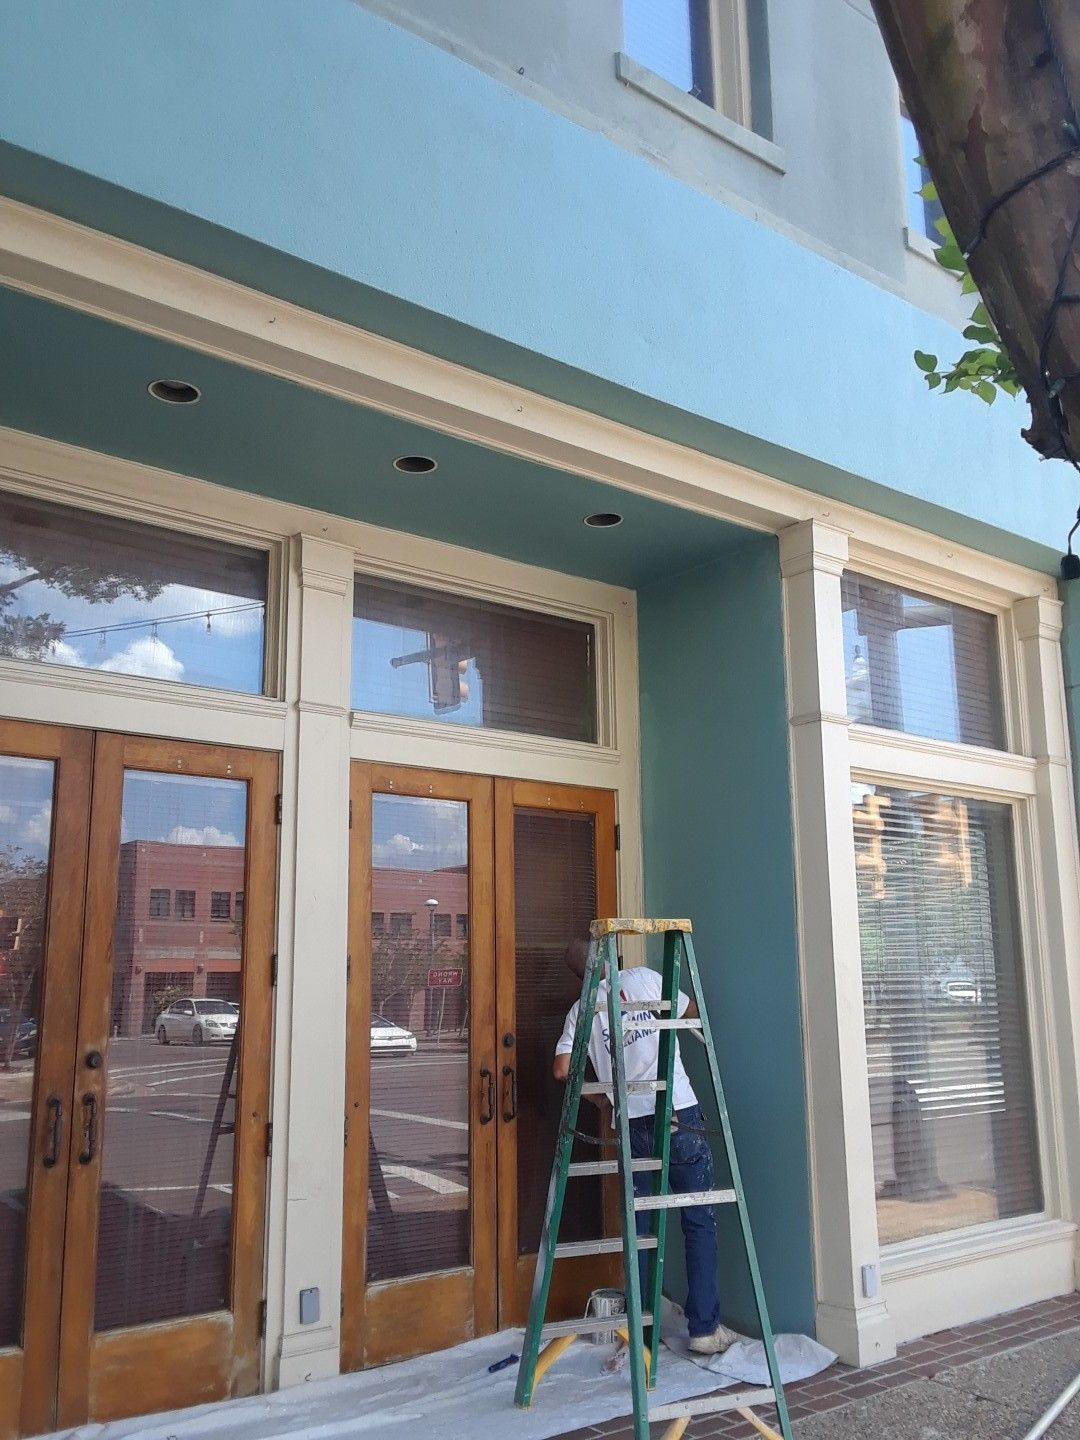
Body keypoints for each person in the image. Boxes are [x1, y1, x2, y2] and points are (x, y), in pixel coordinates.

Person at [553, 939, 737, 1355]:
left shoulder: (580, 1012)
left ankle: (642, 1334)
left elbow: (562, 1069)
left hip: (632, 1123)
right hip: (677, 1112)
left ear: (580, 977)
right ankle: (704, 1329)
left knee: (642, 1230)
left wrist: (603, 1098)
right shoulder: (644, 979)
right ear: (613, 959)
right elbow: (690, 1011)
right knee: (698, 1219)